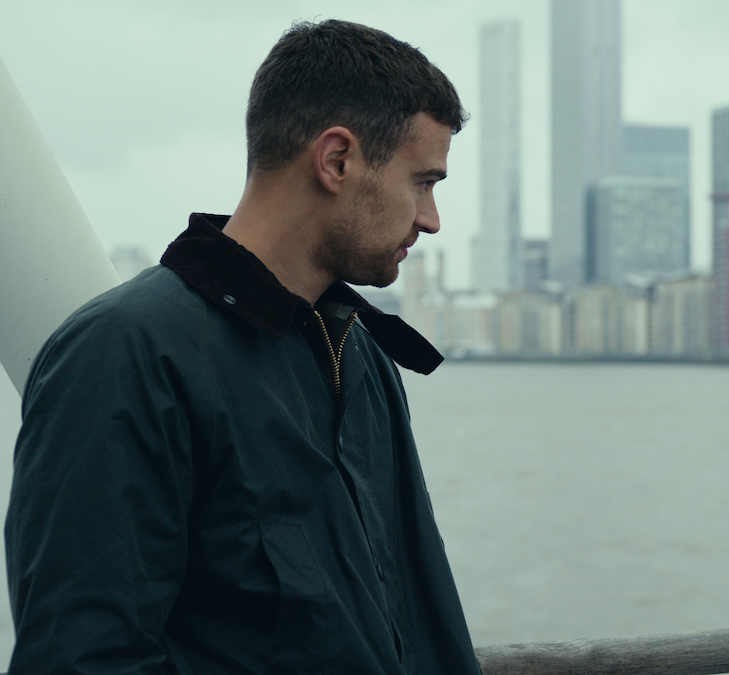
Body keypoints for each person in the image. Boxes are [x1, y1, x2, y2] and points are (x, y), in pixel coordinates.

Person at [6, 20, 483, 674]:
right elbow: (81, 656)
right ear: (337, 159)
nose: (431, 219)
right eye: (424, 182)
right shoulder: (125, 353)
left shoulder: (360, 353)